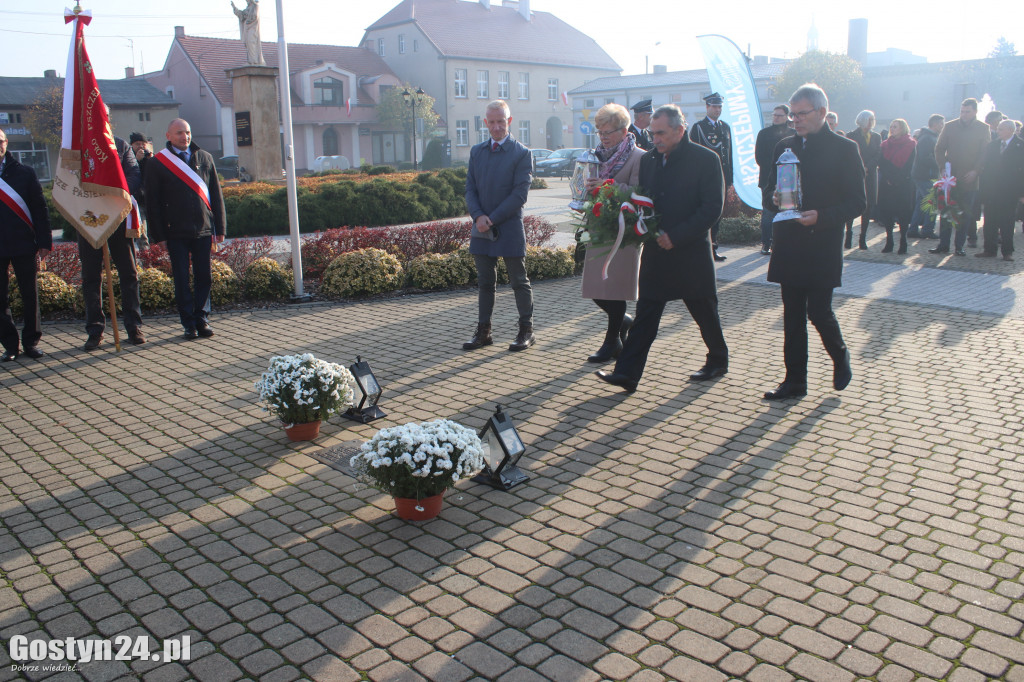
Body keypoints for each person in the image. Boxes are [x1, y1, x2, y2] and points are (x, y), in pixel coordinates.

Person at [595, 104, 728, 393]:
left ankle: (718, 359)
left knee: (704, 311)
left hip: (690, 252)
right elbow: (644, 199)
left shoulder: (706, 159)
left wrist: (676, 236)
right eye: (653, 133)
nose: (655, 139)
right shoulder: (651, 160)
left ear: (680, 130)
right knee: (647, 313)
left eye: (661, 134)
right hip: (657, 250)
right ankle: (627, 373)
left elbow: (711, 209)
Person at [763, 84, 865, 400]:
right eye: (792, 114)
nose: (795, 120)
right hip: (789, 241)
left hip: (821, 241)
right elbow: (767, 192)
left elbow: (858, 202)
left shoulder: (845, 149)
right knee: (792, 315)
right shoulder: (784, 146)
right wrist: (775, 198)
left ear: (821, 112)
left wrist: (821, 216)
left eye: (801, 114)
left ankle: (840, 354)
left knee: (819, 311)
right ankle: (794, 381)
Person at [463, 100, 535, 352]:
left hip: (508, 227)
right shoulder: (477, 152)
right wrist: (478, 216)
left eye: (500, 122)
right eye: (491, 122)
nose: (496, 127)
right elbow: (470, 188)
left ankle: (526, 330)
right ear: (486, 123)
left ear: (509, 121)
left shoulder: (522, 153)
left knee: (518, 280)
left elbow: (519, 195)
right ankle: (484, 332)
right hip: (481, 228)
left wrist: (490, 219)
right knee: (485, 282)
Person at [145, 118, 226, 339]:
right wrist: (158, 235)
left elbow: (216, 197)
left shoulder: (205, 158)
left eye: (188, 132)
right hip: (175, 231)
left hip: (203, 229)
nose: (185, 137)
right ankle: (188, 324)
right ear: (168, 136)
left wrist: (220, 228)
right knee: (181, 279)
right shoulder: (157, 163)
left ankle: (202, 319)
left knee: (204, 277)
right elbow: (152, 203)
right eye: (180, 133)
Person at [580, 103, 647, 363]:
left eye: (608, 132)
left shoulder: (638, 156)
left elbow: (638, 193)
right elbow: (586, 188)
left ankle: (612, 341)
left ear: (624, 129)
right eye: (600, 132)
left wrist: (607, 186)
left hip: (624, 231)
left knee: (615, 288)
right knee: (595, 288)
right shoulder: (596, 156)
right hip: (598, 226)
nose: (603, 137)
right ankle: (624, 321)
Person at [79, 130, 146, 350]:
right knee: (91, 277)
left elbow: (134, 175)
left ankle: (133, 327)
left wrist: (111, 194)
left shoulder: (120, 145)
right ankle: (95, 330)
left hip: (117, 216)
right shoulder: (76, 146)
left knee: (129, 273)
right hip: (88, 217)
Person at [0, 129, 50, 362]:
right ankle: (10, 346)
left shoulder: (25, 173)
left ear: (6, 143)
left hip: (23, 244)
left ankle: (31, 342)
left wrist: (44, 242)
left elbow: (40, 210)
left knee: (30, 295)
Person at [930, 98, 990, 255]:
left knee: (964, 214)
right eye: (962, 111)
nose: (964, 114)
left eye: (967, 111)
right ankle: (943, 244)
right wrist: (943, 167)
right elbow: (939, 149)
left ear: (975, 112)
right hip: (950, 179)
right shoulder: (950, 126)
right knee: (946, 213)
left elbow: (985, 153)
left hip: (970, 179)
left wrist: (976, 171)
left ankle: (959, 246)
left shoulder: (983, 128)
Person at [689, 92, 732, 261]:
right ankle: (703, 246)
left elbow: (729, 155)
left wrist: (730, 178)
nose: (717, 109)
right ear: (707, 107)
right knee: (705, 212)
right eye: (714, 106)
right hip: (705, 177)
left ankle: (714, 247)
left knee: (718, 214)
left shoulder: (725, 127)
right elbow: (693, 155)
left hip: (722, 176)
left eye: (719, 106)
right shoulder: (699, 127)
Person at [977, 120, 1024, 261]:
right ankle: (989, 249)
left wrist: (1021, 193)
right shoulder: (993, 145)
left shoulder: (1020, 145)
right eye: (998, 128)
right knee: (989, 221)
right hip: (992, 190)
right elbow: (986, 168)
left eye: (1001, 129)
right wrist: (983, 190)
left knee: (1007, 222)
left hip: (1010, 191)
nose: (998, 131)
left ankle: (1007, 251)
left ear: (1010, 130)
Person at [755, 104, 792, 255]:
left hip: (788, 179)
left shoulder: (793, 133)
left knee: (786, 211)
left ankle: (782, 242)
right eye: (774, 115)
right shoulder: (764, 133)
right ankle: (766, 243)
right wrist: (772, 174)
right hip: (768, 179)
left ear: (787, 117)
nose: (776, 118)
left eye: (779, 115)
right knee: (768, 212)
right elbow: (759, 157)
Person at [876, 118, 916, 255]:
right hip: (887, 183)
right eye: (891, 126)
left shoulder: (910, 144)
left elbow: (909, 165)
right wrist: (888, 178)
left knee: (903, 213)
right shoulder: (885, 145)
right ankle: (889, 241)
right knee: (887, 212)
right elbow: (881, 162)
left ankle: (903, 241)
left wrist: (897, 180)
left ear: (903, 128)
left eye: (896, 126)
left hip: (903, 183)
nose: (892, 129)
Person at [844, 110, 881, 250]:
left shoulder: (876, 137)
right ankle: (849, 235)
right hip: (855, 174)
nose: (871, 123)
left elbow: (878, 154)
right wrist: (860, 167)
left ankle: (862, 238)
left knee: (868, 206)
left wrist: (868, 167)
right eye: (869, 120)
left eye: (873, 120)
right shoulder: (851, 135)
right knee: (852, 204)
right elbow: (849, 154)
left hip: (870, 175)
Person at [908, 114, 944, 239]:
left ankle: (913, 229)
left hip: (924, 175)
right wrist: (940, 163)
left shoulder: (930, 137)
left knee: (921, 203)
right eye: (941, 124)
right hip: (925, 175)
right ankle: (928, 229)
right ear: (934, 124)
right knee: (932, 202)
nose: (942, 126)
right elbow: (924, 157)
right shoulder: (928, 138)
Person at [231, 0, 265, 66]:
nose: (246, 1)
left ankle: (254, 61)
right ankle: (250, 61)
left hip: (253, 28)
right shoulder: (247, 9)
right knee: (248, 44)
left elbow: (255, 16)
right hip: (247, 29)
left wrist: (248, 20)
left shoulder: (255, 6)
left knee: (251, 42)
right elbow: (241, 15)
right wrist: (234, 7)